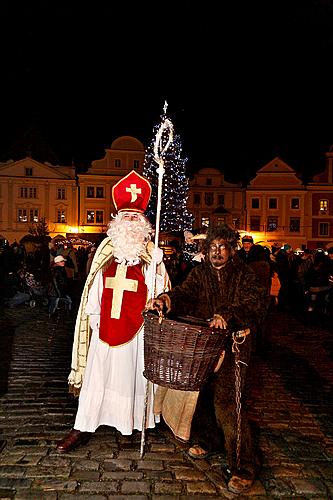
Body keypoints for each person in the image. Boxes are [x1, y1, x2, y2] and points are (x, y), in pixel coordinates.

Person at [148, 224, 269, 495]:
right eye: (213, 247)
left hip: (236, 346)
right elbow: (185, 293)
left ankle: (243, 466)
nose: (217, 252)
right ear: (206, 250)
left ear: (232, 249)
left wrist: (227, 315)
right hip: (205, 345)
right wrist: (166, 300)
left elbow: (255, 303)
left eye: (223, 247)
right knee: (201, 394)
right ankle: (210, 439)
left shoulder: (244, 275)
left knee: (228, 403)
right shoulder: (200, 273)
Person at [56, 170, 170, 453]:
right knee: (99, 376)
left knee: (132, 376)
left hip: (138, 328)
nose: (131, 222)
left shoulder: (150, 252)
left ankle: (130, 422)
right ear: (117, 222)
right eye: (126, 217)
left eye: (136, 217)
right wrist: (93, 315)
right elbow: (94, 284)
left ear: (144, 223)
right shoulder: (107, 247)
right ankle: (83, 425)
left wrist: (157, 267)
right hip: (105, 323)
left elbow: (161, 292)